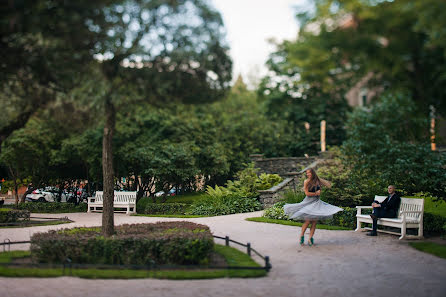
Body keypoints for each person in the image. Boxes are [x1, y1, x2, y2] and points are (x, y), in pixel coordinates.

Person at [283, 168, 343, 246]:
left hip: (316, 202)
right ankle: (302, 236)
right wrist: (316, 193)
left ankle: (310, 239)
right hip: (308, 202)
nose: (307, 174)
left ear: (313, 173)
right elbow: (307, 193)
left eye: (309, 173)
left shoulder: (318, 181)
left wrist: (319, 192)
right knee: (308, 221)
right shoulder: (306, 181)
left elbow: (324, 188)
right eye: (307, 173)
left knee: (314, 222)